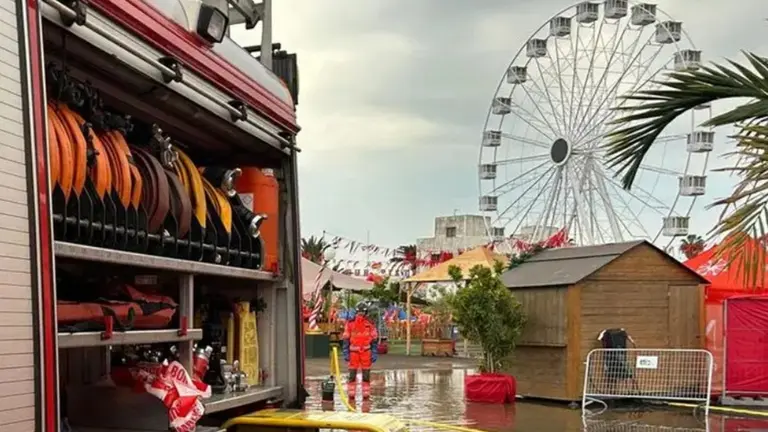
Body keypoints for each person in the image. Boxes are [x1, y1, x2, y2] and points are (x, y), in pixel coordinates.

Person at [342, 302, 378, 399]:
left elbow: (374, 339)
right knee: (352, 374)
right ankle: (351, 393)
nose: (361, 314)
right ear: (356, 312)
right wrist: (346, 352)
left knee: (366, 374)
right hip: (353, 352)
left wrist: (374, 352)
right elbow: (346, 339)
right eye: (359, 312)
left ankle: (366, 393)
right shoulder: (350, 324)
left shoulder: (370, 324)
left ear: (366, 313)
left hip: (366, 352)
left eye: (363, 312)